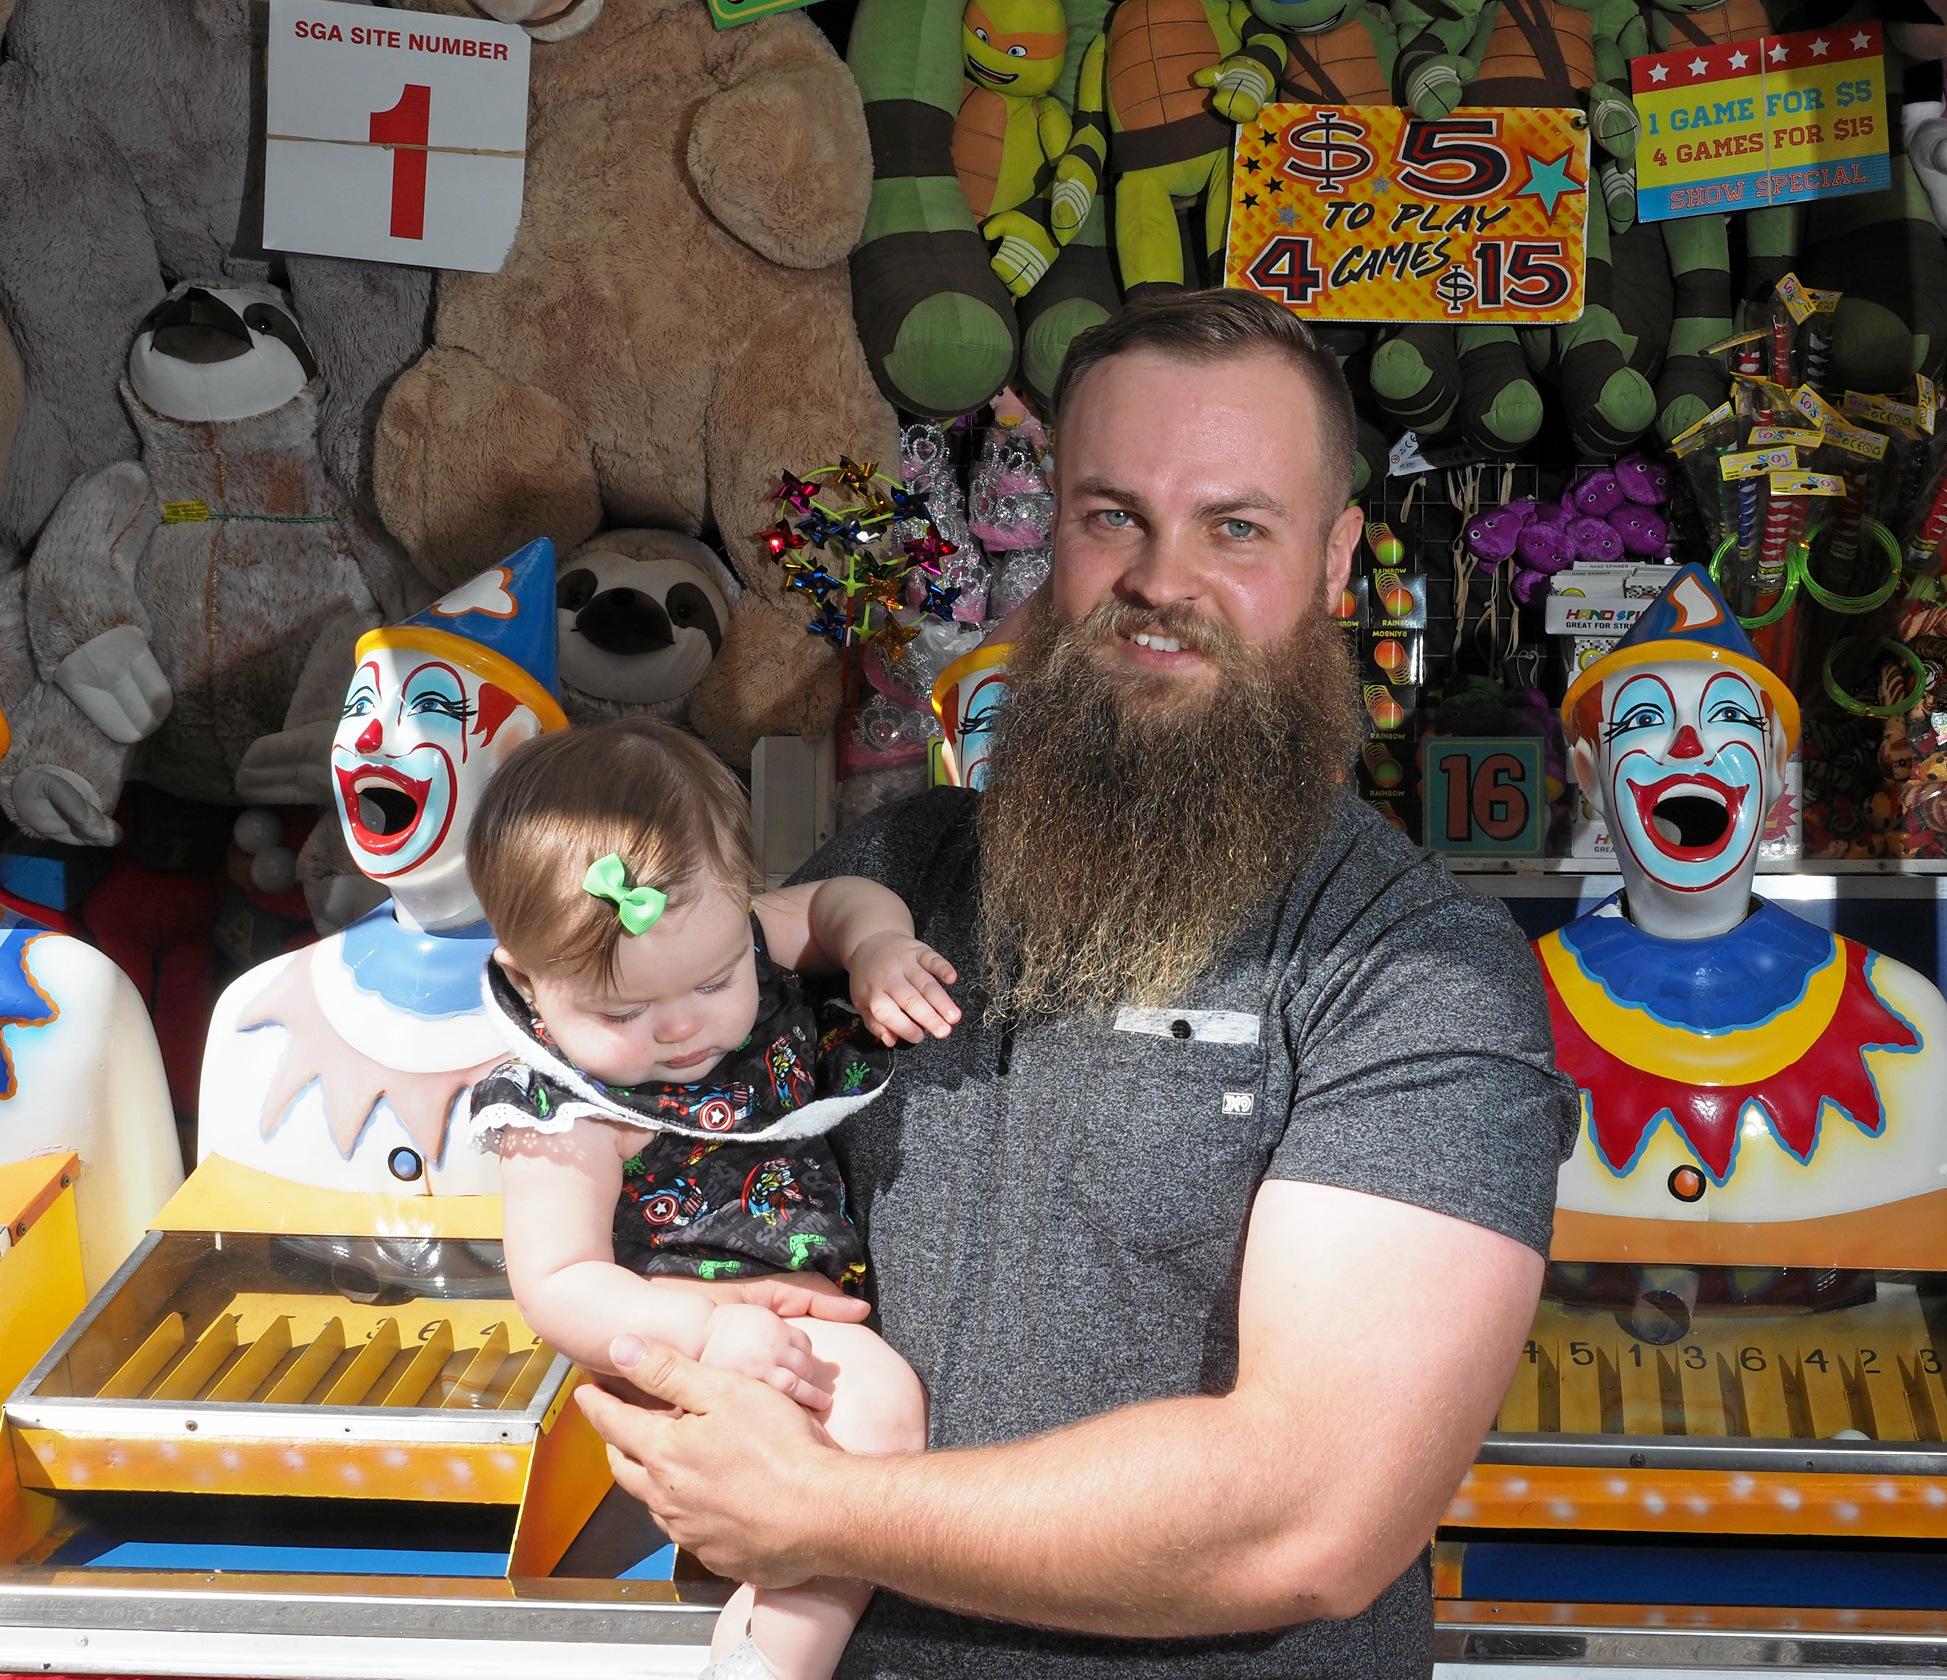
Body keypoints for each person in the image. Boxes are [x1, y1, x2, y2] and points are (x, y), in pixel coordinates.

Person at [575, 289, 1573, 1677]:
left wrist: (815, 1509)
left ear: (1338, 558)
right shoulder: (891, 873)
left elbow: (1313, 1519)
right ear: (1052, 534)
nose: (1162, 581)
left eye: (1236, 527)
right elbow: (655, 1119)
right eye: (1114, 517)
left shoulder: (1413, 972)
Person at [463, 717, 963, 1680]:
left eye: (717, 979)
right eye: (622, 1014)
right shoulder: (561, 1107)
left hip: (777, 1313)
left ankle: (757, 1630)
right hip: (683, 1344)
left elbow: (839, 902)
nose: (686, 1027)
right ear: (530, 987)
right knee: (877, 1417)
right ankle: (774, 1663)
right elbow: (558, 1281)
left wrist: (875, 946)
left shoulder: (727, 928)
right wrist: (698, 1335)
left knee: (853, 1456)